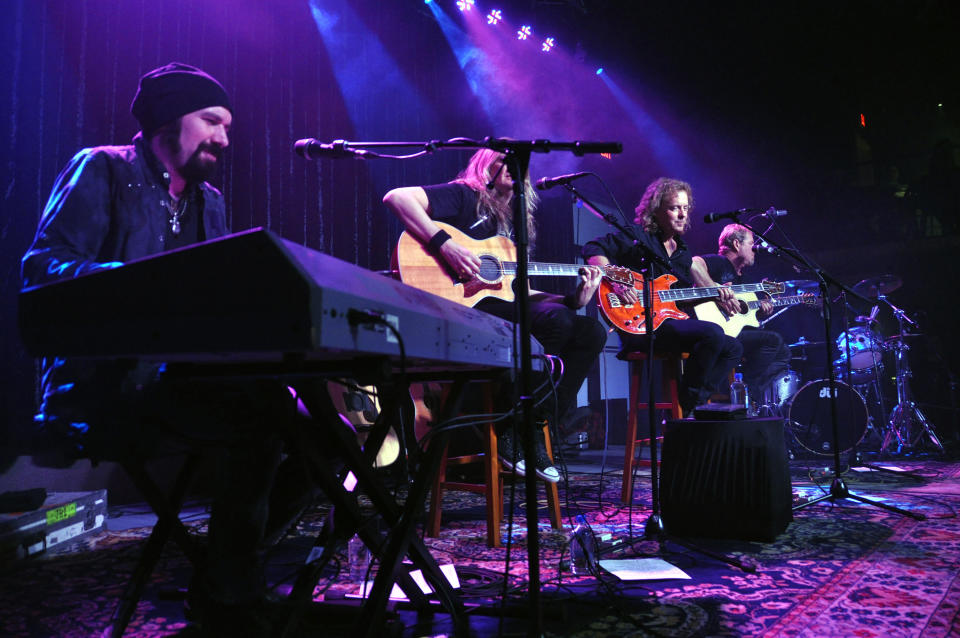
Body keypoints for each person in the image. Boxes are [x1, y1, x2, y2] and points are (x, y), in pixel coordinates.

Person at [21, 62, 304, 637]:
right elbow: (43, 271)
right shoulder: (102, 168)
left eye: (227, 125)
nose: (225, 138)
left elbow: (217, 309)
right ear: (167, 119)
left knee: (323, 430)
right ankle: (230, 595)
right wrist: (143, 286)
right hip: (102, 391)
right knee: (265, 420)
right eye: (211, 121)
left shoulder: (212, 203)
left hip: (178, 387)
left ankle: (225, 579)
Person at [382, 149, 607, 482]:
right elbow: (397, 197)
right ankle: (513, 426)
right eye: (502, 157)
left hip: (496, 308)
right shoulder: (465, 195)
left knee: (590, 331)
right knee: (555, 322)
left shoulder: (515, 221)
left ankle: (533, 421)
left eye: (517, 161)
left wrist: (574, 298)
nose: (510, 165)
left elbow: (522, 292)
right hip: (454, 309)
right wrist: (447, 245)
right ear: (484, 162)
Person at [583, 177, 743, 414]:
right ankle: (692, 406)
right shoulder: (638, 236)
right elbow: (593, 249)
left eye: (686, 208)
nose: (682, 214)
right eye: (674, 208)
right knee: (712, 334)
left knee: (733, 348)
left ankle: (695, 401)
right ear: (656, 210)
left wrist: (713, 295)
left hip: (668, 321)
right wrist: (615, 280)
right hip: (637, 322)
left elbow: (677, 298)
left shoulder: (682, 251)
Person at [692, 223, 791, 404]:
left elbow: (744, 315)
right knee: (773, 341)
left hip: (732, 331)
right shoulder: (720, 263)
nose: (755, 249)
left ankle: (745, 389)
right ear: (737, 244)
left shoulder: (744, 279)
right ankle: (745, 389)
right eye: (751, 244)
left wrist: (761, 313)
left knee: (783, 351)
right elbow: (694, 263)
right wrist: (715, 290)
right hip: (712, 329)